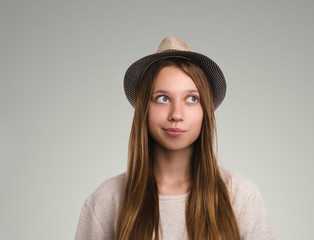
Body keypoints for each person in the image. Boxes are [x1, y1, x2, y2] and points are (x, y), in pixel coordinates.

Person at [75, 36, 276, 240]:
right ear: (144, 108)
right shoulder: (106, 200)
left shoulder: (240, 195)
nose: (176, 114)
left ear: (205, 110)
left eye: (191, 99)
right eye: (162, 98)